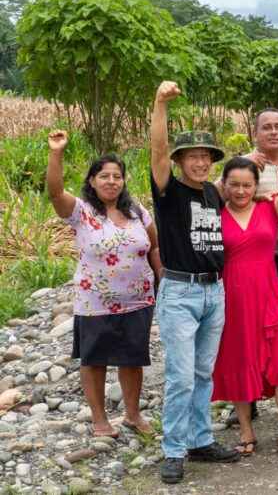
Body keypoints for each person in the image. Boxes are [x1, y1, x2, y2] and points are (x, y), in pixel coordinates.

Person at [147, 81, 240, 484]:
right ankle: (173, 449)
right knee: (181, 377)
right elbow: (156, 151)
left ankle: (200, 439)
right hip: (180, 292)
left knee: (204, 373)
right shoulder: (168, 191)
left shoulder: (212, 194)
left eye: (206, 156)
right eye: (193, 156)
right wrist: (160, 104)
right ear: (180, 159)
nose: (200, 163)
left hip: (214, 291)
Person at [212, 129, 278, 457]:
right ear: (224, 185)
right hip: (232, 299)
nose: (241, 190)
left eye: (247, 185)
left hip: (268, 295)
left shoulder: (269, 208)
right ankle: (246, 432)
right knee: (239, 360)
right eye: (234, 184)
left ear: (256, 185)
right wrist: (238, 163)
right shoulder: (215, 214)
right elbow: (205, 190)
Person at [46, 131, 159, 440]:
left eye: (117, 176)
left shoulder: (137, 211)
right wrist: (56, 152)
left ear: (124, 180)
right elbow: (55, 193)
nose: (112, 181)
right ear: (92, 181)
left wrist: (163, 281)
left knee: (133, 359)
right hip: (95, 302)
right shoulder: (81, 212)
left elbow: (154, 247)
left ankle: (133, 415)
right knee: (94, 360)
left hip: (139, 300)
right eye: (104, 176)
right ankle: (100, 420)